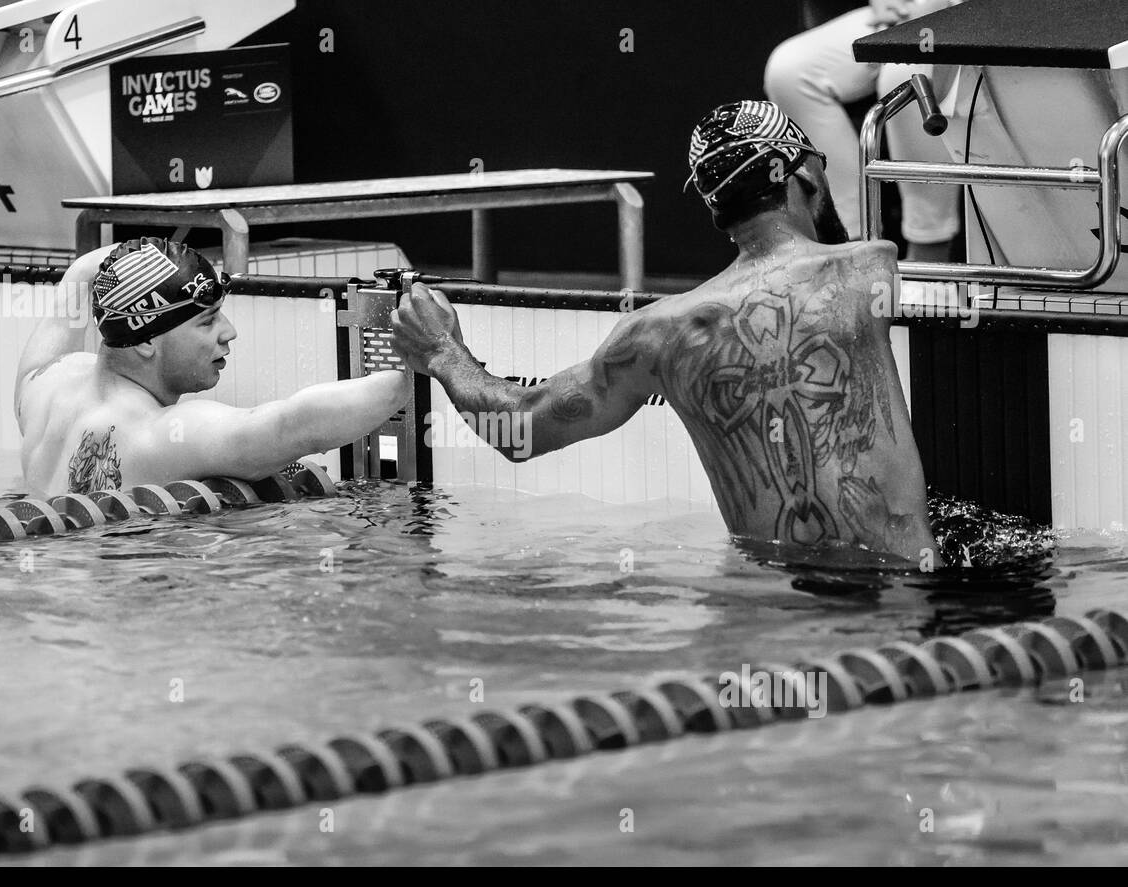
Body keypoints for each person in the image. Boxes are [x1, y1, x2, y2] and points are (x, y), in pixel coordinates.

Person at [391, 100, 941, 566]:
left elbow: (519, 429)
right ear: (802, 174)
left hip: (768, 613)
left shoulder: (659, 335)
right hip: (897, 596)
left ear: (714, 209)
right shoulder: (869, 268)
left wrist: (444, 351)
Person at [15, 237, 408, 496]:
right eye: (207, 320)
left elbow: (81, 275)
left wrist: (125, 264)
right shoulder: (162, 435)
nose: (229, 332)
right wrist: (424, 363)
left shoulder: (45, 385)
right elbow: (296, 427)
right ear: (147, 340)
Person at [764, 0, 964, 272]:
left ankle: (928, 252)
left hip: (971, 14)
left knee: (903, 72)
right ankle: (854, 246)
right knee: (789, 70)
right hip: (905, 8)